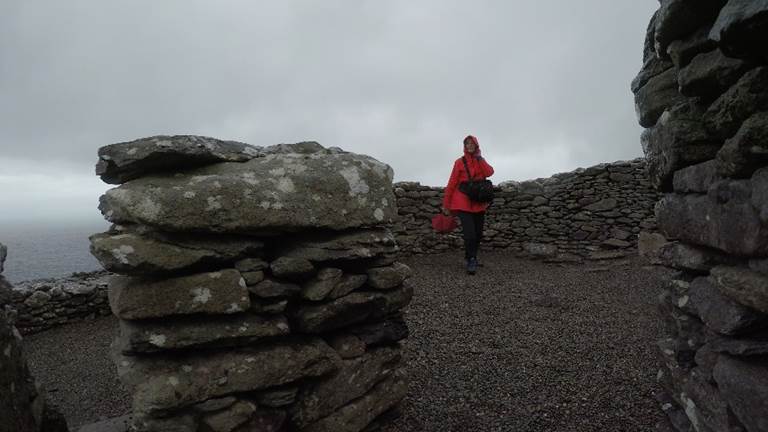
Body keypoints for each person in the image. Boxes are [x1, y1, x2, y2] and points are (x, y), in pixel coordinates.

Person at [442, 135, 494, 275]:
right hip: (463, 200)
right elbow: (452, 183)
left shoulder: (480, 160)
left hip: (478, 201)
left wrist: (479, 158)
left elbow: (490, 172)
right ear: (464, 146)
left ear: (476, 145)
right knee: (470, 233)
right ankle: (471, 259)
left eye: (471, 143)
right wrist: (446, 204)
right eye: (467, 143)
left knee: (478, 233)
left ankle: (470, 255)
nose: (469, 145)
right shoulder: (459, 162)